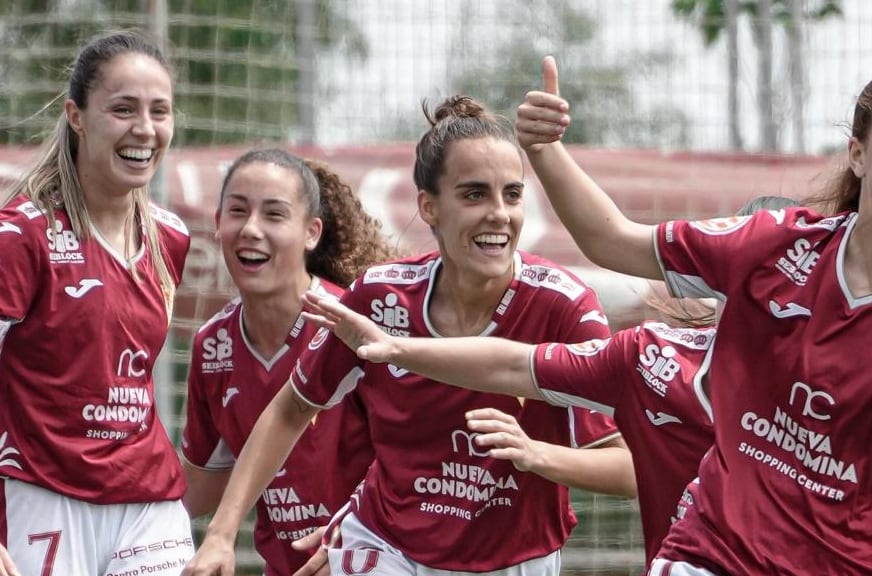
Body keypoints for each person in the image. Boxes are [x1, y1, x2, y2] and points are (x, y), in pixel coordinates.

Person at [515, 57, 872, 574]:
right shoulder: (775, 245)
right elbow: (612, 241)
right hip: (716, 557)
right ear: (858, 154)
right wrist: (545, 149)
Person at [183, 95, 634, 576]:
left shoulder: (564, 307)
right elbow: (291, 407)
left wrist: (535, 454)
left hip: (515, 559)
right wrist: (221, 536)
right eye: (474, 194)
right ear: (429, 207)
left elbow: (628, 468)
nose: (499, 214)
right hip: (387, 547)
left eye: (513, 194)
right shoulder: (381, 297)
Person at [0, 31, 194, 576]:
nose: (145, 129)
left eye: (161, 111)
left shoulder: (170, 237)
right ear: (77, 116)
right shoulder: (23, 236)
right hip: (42, 494)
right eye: (123, 109)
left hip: (147, 502)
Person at [181, 149, 398, 575]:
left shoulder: (353, 327)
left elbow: (415, 457)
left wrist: (355, 525)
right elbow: (199, 488)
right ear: (217, 222)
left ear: (311, 232)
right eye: (237, 211)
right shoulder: (212, 346)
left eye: (274, 215)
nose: (251, 229)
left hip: (382, 562)